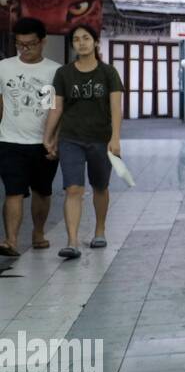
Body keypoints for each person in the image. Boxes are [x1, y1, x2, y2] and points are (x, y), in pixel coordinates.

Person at [42, 24, 124, 260]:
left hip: (101, 139)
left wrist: (115, 138)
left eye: (86, 38)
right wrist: (48, 137)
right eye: (76, 39)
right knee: (73, 188)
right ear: (73, 45)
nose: (81, 43)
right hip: (71, 139)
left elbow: (116, 108)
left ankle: (100, 230)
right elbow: (56, 107)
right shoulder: (63, 73)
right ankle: (72, 241)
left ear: (96, 42)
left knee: (100, 187)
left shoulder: (108, 73)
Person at [0, 18, 60, 257]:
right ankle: (11, 241)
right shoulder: (3, 67)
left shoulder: (54, 71)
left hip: (42, 143)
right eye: (20, 44)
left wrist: (54, 139)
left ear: (43, 42)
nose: (24, 50)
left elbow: (55, 108)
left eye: (30, 44)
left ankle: (38, 233)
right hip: (9, 141)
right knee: (13, 191)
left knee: (42, 191)